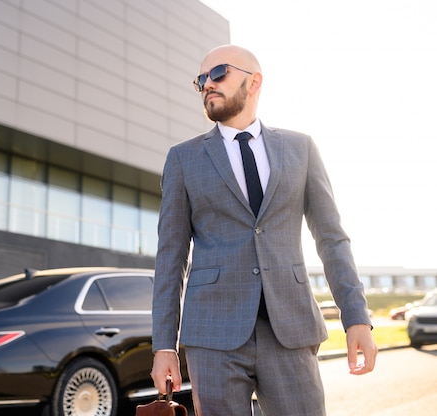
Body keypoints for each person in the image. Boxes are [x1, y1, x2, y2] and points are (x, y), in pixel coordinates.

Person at [150, 44, 377, 416]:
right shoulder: (183, 158)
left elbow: (332, 239)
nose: (207, 84)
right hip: (212, 335)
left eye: (218, 73)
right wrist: (164, 346)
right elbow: (170, 258)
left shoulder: (300, 148)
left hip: (290, 327)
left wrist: (356, 318)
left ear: (253, 81)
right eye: (200, 80)